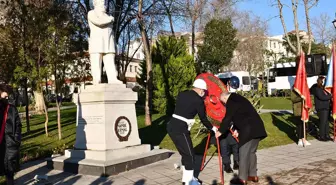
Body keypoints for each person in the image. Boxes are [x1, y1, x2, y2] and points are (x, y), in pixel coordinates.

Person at [167, 79, 218, 185]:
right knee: (190, 155)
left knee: (185, 154)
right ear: (200, 89)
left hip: (171, 126)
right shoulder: (198, 101)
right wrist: (212, 128)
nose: (204, 93)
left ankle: (187, 179)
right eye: (204, 91)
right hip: (180, 128)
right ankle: (188, 181)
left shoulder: (182, 94)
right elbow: (203, 118)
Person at [215, 92, 267, 185]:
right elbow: (241, 115)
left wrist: (220, 131)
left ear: (224, 97)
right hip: (257, 128)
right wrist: (237, 129)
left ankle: (242, 179)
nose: (224, 104)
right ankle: (253, 175)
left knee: (243, 153)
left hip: (248, 130)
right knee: (251, 152)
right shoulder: (239, 98)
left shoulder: (231, 101)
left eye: (223, 101)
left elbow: (228, 118)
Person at [0, 84, 22, 185]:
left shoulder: (12, 109)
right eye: (5, 96)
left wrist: (16, 139)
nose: (7, 98)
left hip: (10, 144)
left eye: (7, 96)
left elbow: (18, 124)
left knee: (9, 172)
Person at [310, 76, 332, 141]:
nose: (324, 82)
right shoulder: (317, 88)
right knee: (323, 122)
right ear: (320, 81)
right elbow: (322, 97)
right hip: (321, 107)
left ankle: (327, 135)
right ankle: (321, 136)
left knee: (327, 122)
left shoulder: (323, 88)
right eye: (323, 80)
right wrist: (330, 96)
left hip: (326, 107)